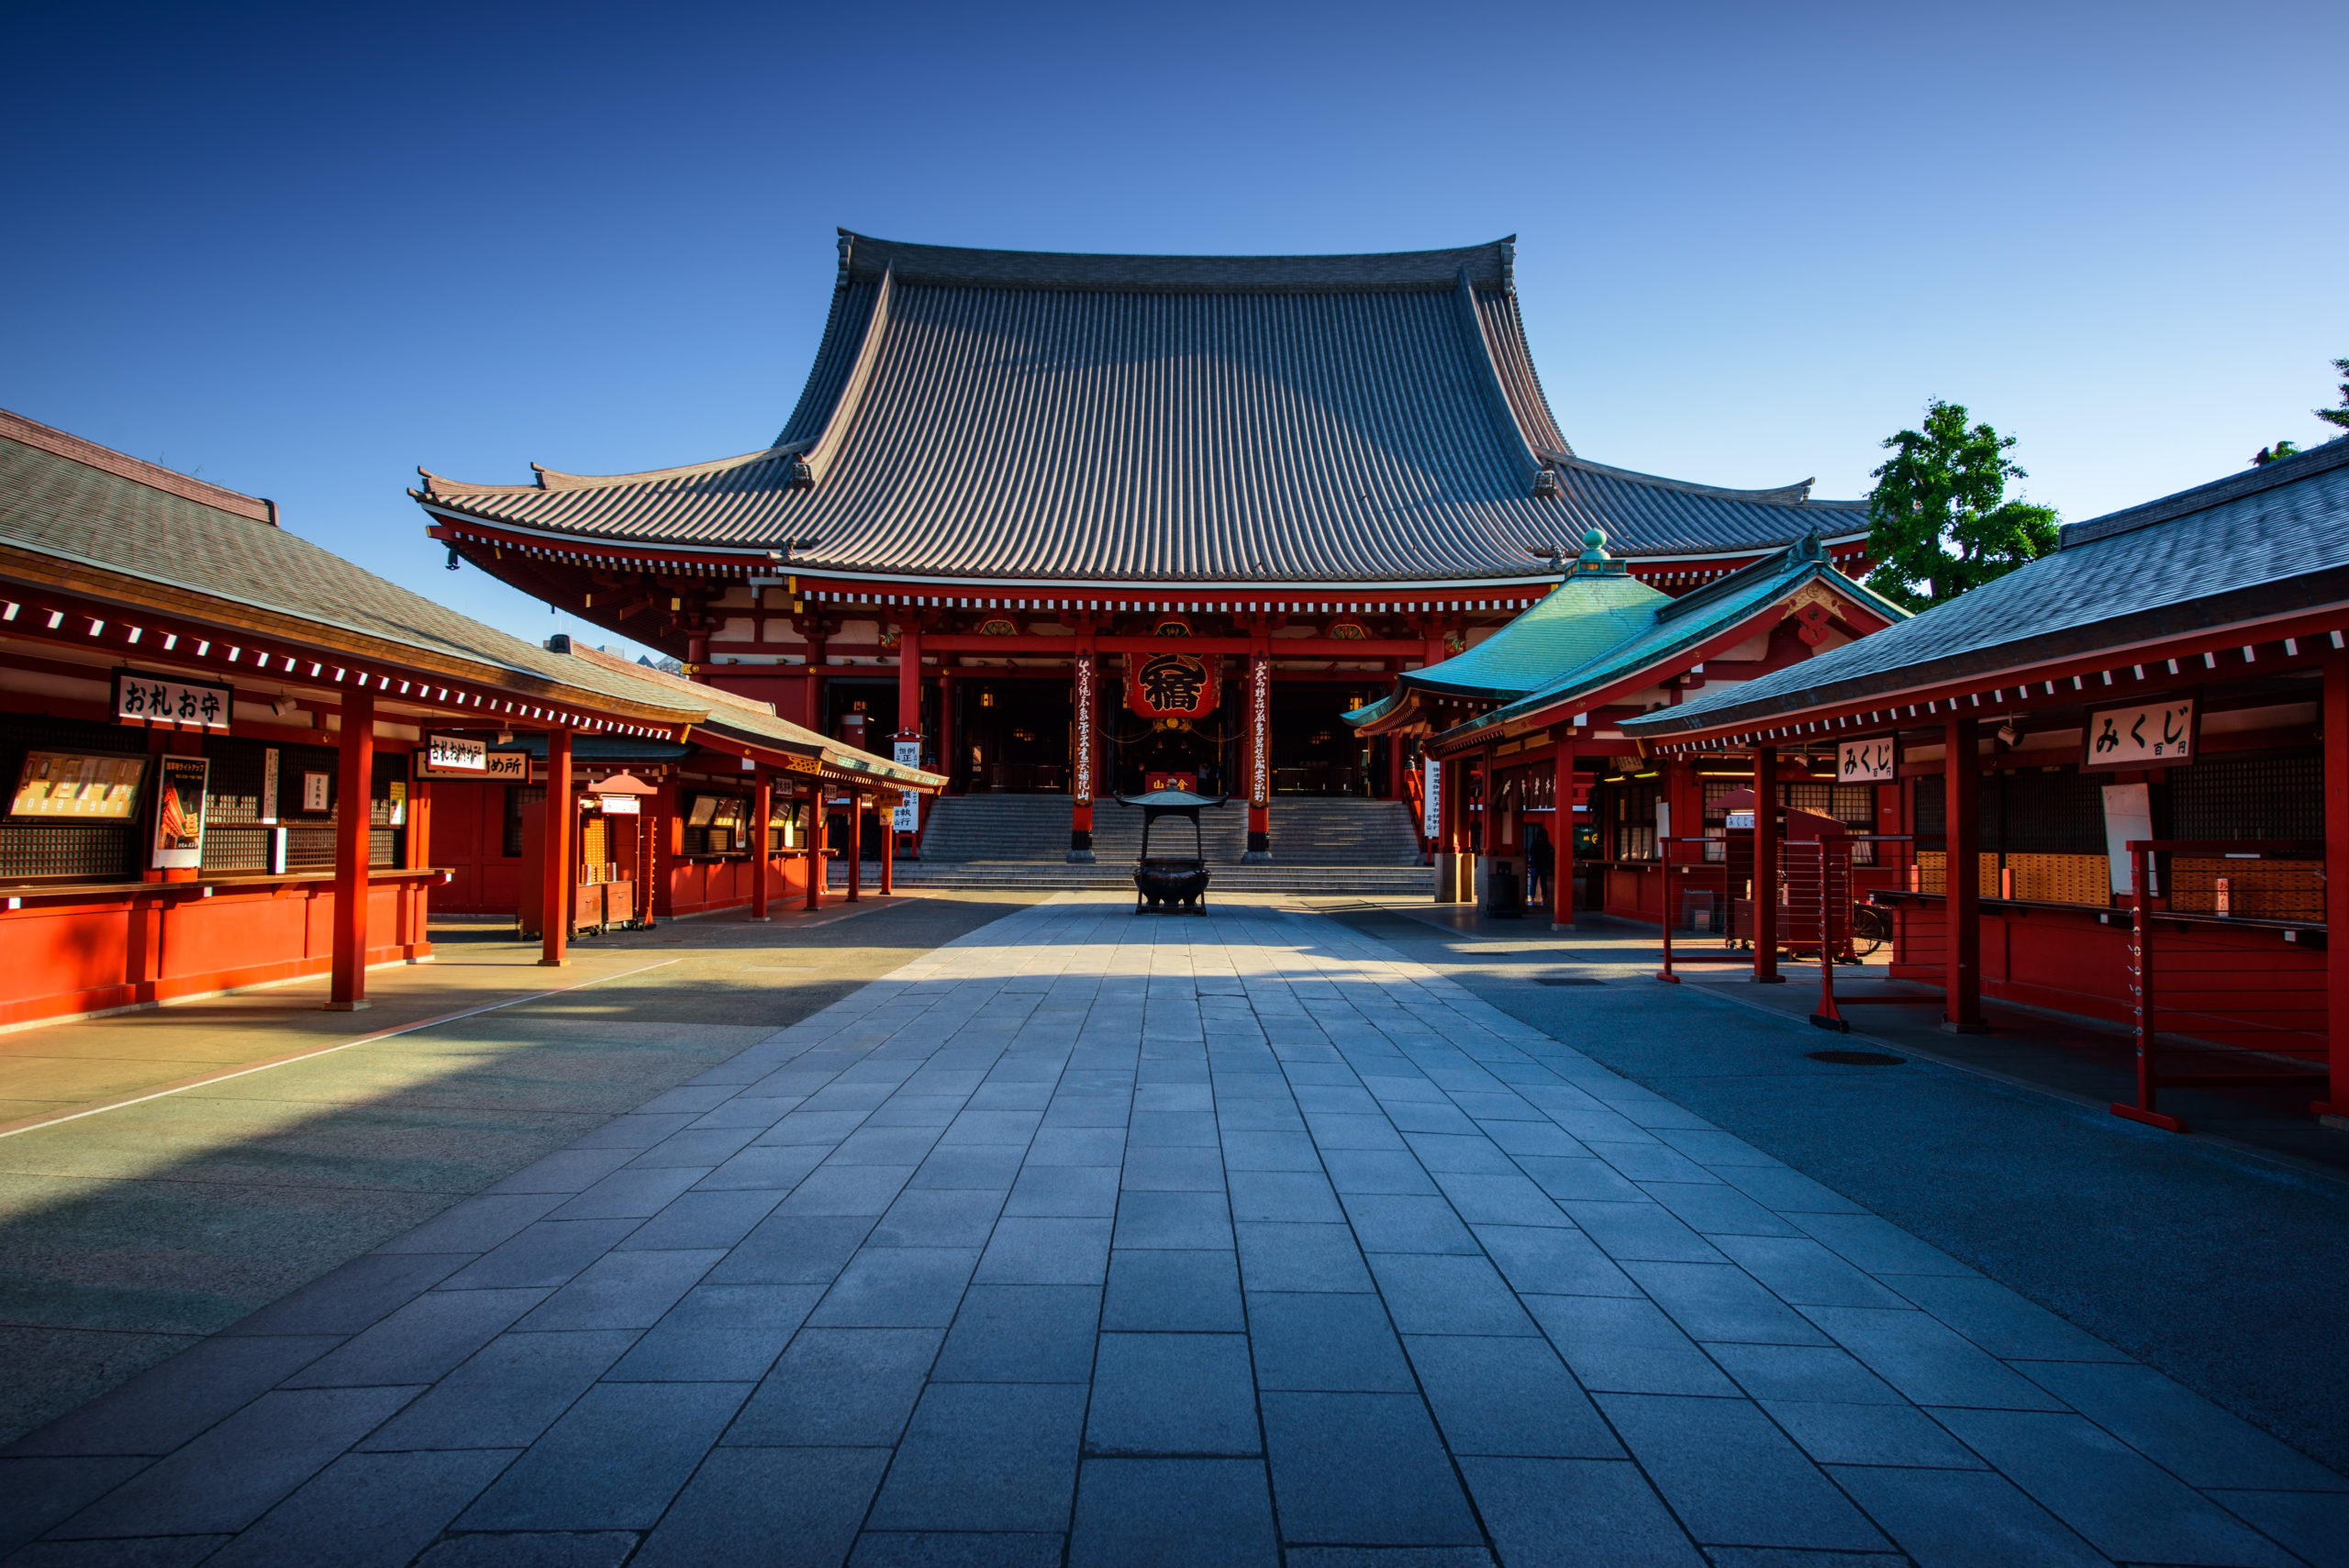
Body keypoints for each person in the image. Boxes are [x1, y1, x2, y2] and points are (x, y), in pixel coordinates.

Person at [1525, 822, 1553, 908]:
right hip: (1543, 865)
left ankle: (1532, 898)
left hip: (1534, 864)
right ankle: (1544, 898)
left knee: (1533, 882)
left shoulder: (1535, 842)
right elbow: (1551, 852)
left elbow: (1531, 852)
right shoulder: (1547, 844)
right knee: (1543, 882)